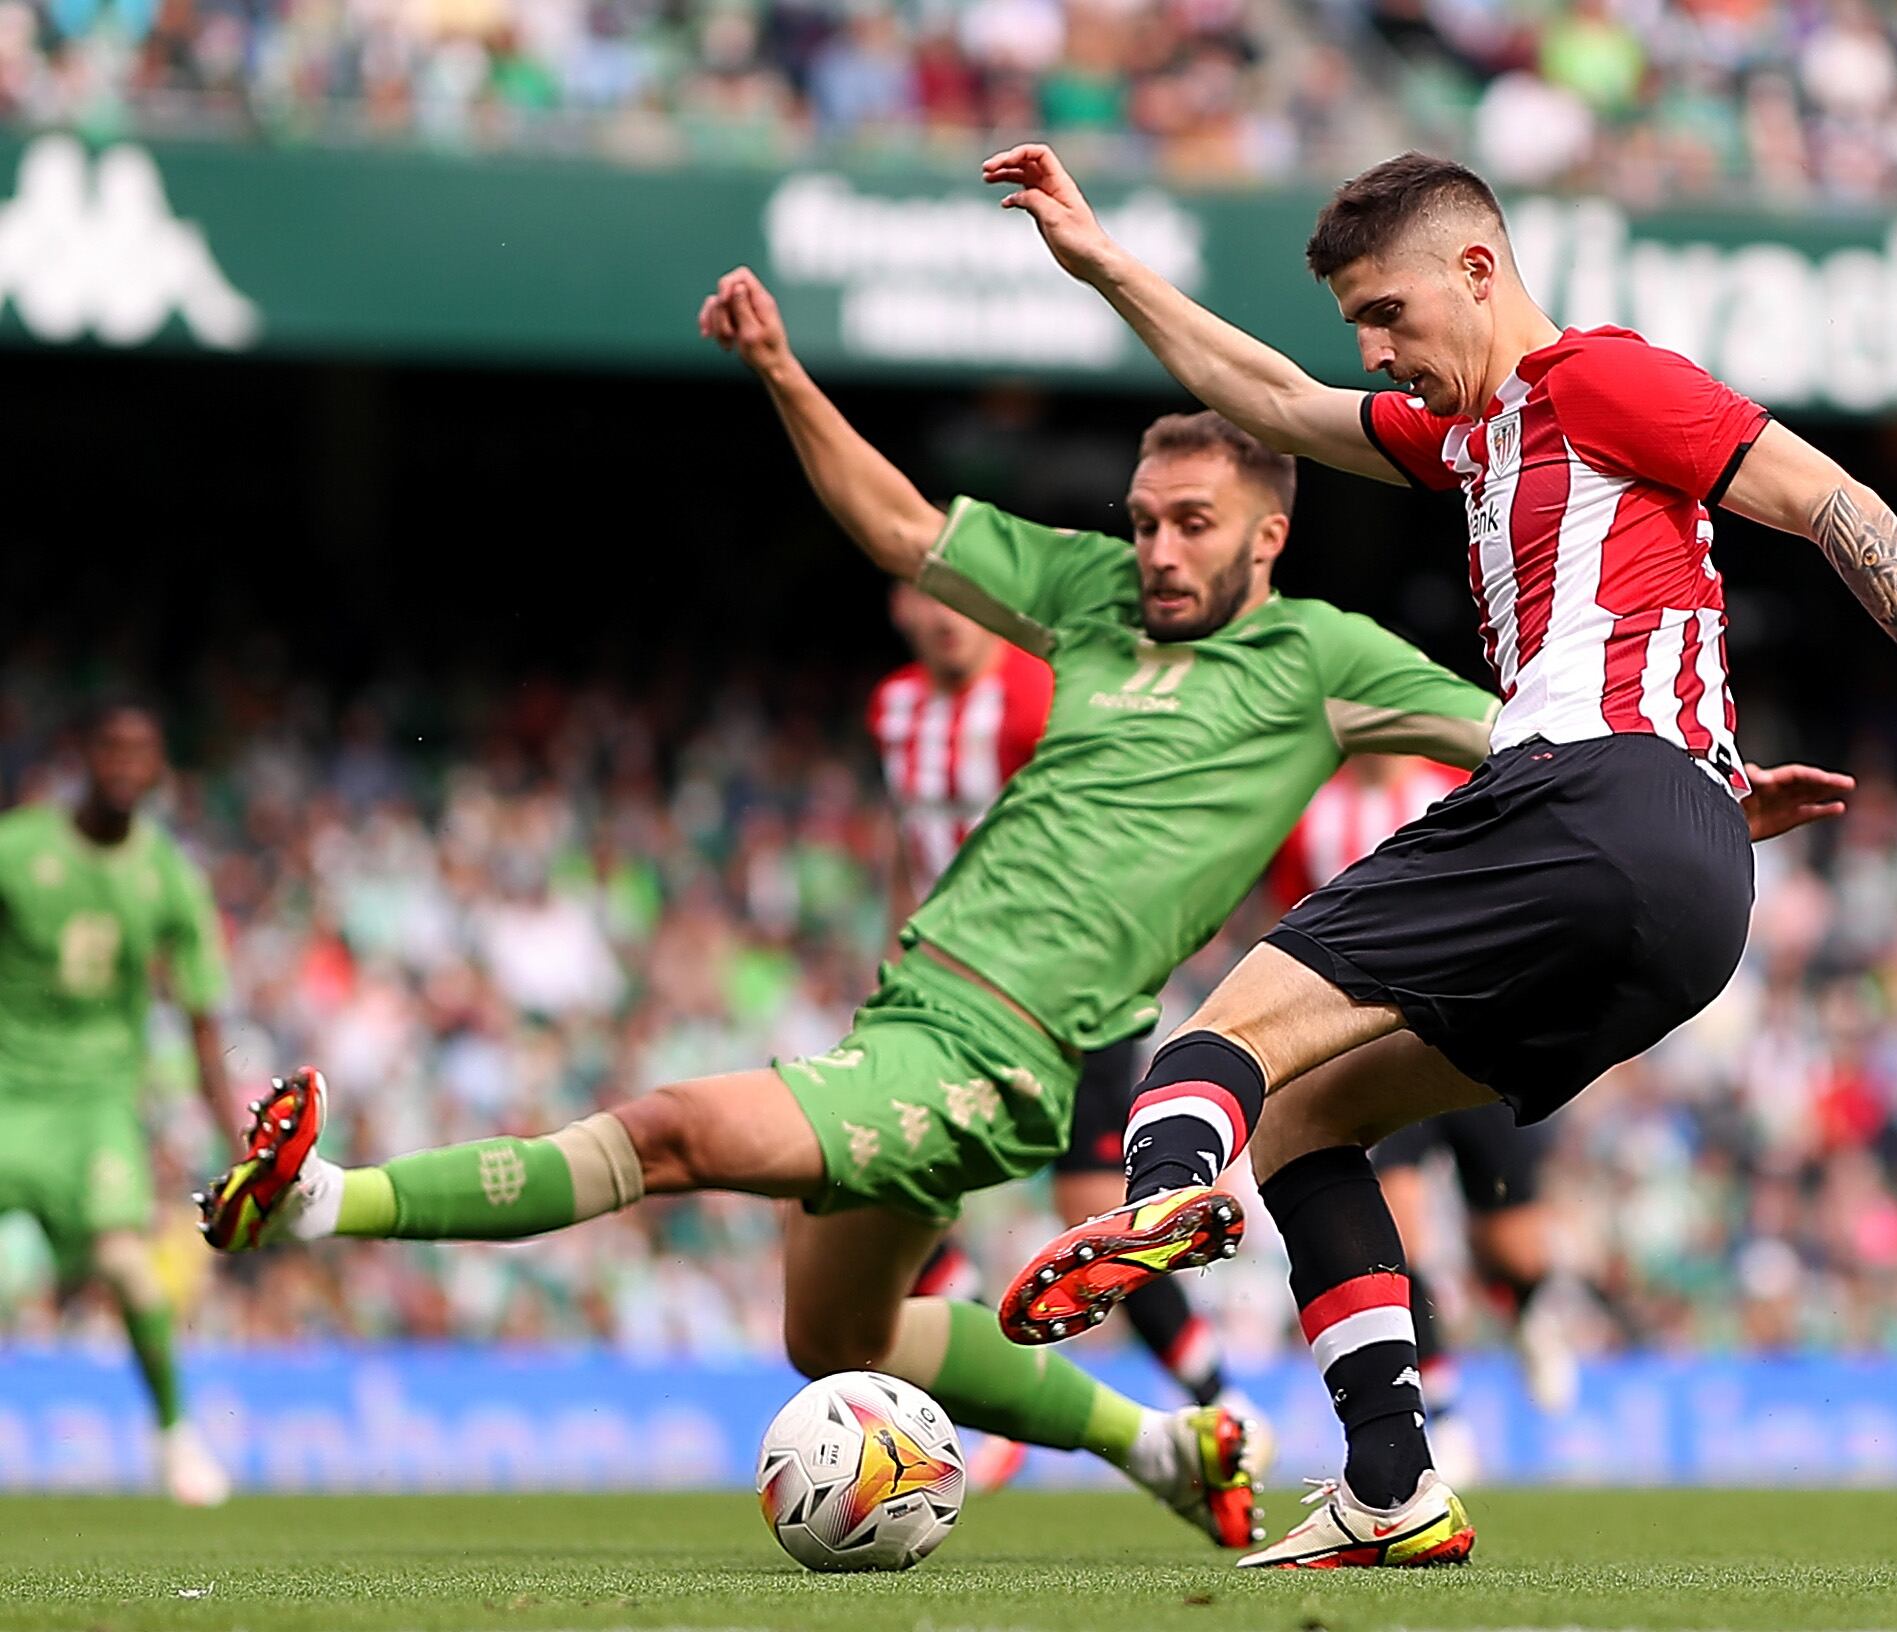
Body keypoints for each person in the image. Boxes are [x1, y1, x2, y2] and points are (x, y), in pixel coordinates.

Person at [197, 262, 1522, 1551]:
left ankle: (318, 1205)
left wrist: (1711, 792)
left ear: (1268, 535)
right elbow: (900, 527)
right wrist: (780, 371)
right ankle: (1164, 1444)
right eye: (1143, 520)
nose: (1158, 552)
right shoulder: (1096, 597)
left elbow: (1528, 744)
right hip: (913, 1009)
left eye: (1192, 526)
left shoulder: (1324, 661)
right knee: (837, 1342)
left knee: (669, 1132)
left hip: (1006, 1052)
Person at [987, 141, 1897, 1568]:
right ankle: (1391, 1485)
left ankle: (1162, 1193)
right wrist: (1104, 261)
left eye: (1388, 315)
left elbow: (1833, 502)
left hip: (1591, 804)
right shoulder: (1474, 439)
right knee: (1309, 1122)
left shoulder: (1598, 378)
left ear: (1479, 273)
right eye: (1359, 324)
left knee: (1215, 1050)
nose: (1373, 350)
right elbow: (1279, 405)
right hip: (1691, 874)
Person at [871, 582, 1262, 1492]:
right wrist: (895, 950)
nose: (940, 617)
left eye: (957, 599)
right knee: (879, 1172)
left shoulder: (1038, 695)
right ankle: (999, 1394)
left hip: (1068, 983)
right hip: (946, 986)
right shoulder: (892, 706)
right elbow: (909, 840)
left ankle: (1219, 1399)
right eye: (922, 597)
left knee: (1093, 1213)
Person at [1275, 754, 1573, 1469]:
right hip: (1369, 1055)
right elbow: (1284, 925)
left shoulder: (1456, 787)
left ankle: (1526, 1309)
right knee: (1398, 1239)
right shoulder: (1310, 815)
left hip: (1473, 1041)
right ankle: (1442, 1411)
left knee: (1513, 1248)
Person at [0, 702, 234, 1506]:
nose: (127, 765)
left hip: (96, 1105)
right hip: (5, 1091)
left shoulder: (168, 875)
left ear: (160, 766)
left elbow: (204, 1018)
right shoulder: (18, 848)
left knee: (130, 1270)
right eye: (113, 749)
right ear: (84, 755)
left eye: (144, 752)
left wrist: (237, 1139)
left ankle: (175, 1437)